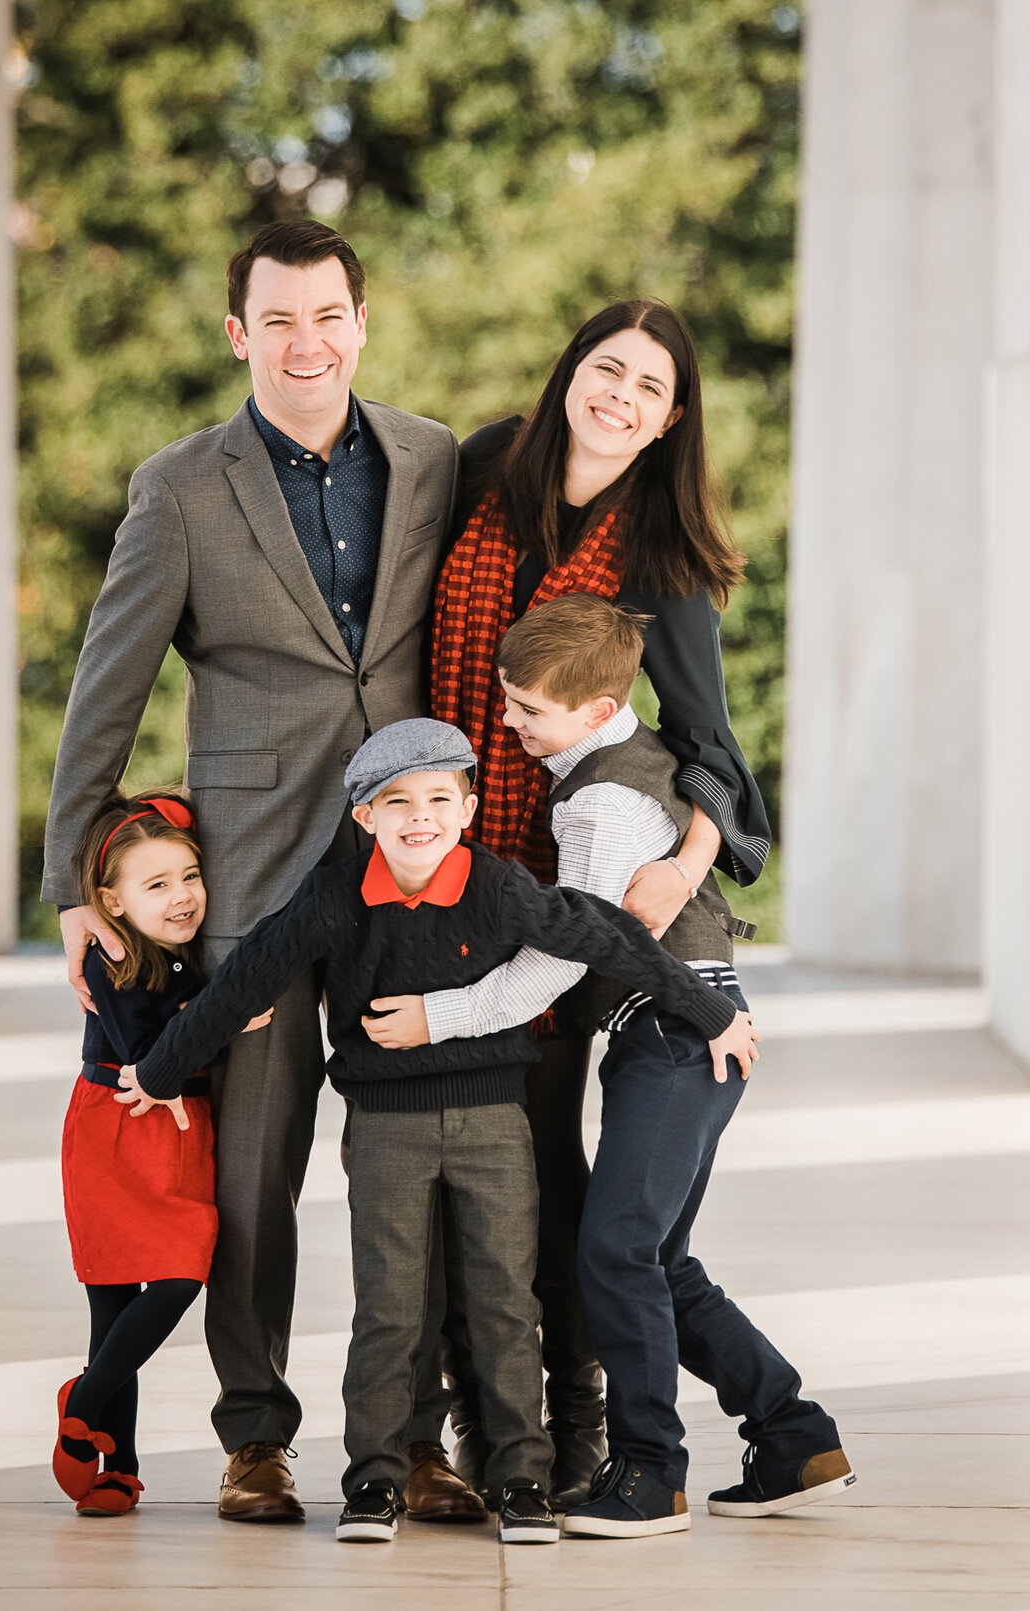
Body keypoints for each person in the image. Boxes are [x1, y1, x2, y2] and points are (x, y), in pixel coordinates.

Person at [40, 218, 460, 1521]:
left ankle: (418, 1434)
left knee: (417, 1169)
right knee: (253, 1175)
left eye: (326, 314)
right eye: (276, 319)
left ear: (361, 320)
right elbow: (105, 693)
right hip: (258, 878)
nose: (305, 341)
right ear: (239, 334)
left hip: (411, 876)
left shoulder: (436, 462)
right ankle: (253, 1434)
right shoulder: (179, 488)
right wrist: (74, 881)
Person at [116, 717, 756, 1547]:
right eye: (396, 801)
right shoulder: (335, 896)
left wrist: (709, 1011)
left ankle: (523, 1478)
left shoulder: (496, 885)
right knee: (387, 1309)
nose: (418, 816)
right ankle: (373, 1481)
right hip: (387, 1128)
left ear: (467, 808)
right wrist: (162, 1069)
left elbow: (607, 934)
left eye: (437, 799)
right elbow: (248, 975)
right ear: (364, 815)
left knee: (502, 1302)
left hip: (495, 1126)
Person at [366, 598, 850, 1536]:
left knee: (615, 1249)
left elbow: (568, 947)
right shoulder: (634, 753)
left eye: (528, 711)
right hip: (672, 1032)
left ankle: (649, 1472)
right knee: (656, 1255)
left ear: (593, 711)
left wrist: (442, 1015)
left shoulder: (600, 797)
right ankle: (793, 1434)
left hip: (678, 1032)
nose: (508, 723)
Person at [424, 298, 766, 1503]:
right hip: (430, 857)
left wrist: (679, 864)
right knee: (428, 1149)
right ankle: (446, 1431)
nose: (620, 395)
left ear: (672, 419)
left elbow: (711, 746)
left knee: (536, 1166)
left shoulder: (659, 554)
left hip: (554, 894)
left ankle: (566, 1431)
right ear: (574, 369)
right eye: (607, 368)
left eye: (650, 387)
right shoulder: (477, 470)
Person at [50, 793, 270, 1518]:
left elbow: (181, 1030)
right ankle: (122, 1464)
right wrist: (220, 1013)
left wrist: (206, 1009)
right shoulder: (112, 956)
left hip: (177, 1136)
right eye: (157, 884)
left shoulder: (188, 958)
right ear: (110, 901)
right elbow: (148, 1054)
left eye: (190, 874)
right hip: (114, 1135)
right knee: (113, 1303)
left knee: (180, 1272)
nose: (182, 896)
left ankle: (82, 1399)